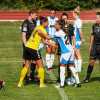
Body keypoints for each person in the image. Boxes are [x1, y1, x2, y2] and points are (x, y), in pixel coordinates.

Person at [18, 17, 56, 88]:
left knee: (26, 66)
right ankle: (41, 84)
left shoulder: (37, 27)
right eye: (47, 22)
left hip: (27, 47)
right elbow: (40, 33)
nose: (48, 24)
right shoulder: (41, 29)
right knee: (41, 65)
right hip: (34, 49)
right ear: (44, 23)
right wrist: (48, 37)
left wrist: (51, 44)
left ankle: (20, 83)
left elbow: (43, 41)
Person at [55, 20, 81, 88]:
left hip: (66, 52)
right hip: (71, 50)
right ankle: (78, 82)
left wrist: (40, 34)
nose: (55, 25)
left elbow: (48, 37)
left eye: (56, 24)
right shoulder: (63, 32)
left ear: (60, 26)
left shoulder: (58, 33)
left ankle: (62, 84)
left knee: (62, 67)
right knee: (71, 66)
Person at [57, 12, 75, 83]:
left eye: (65, 18)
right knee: (60, 63)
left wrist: (74, 46)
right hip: (61, 47)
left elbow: (73, 37)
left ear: (67, 19)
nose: (64, 20)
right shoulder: (60, 27)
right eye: (63, 18)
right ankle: (60, 79)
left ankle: (70, 77)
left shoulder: (70, 26)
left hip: (69, 48)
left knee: (69, 64)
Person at [21, 9, 38, 83]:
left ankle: (32, 75)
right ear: (31, 14)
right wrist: (26, 45)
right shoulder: (25, 23)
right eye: (35, 15)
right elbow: (23, 35)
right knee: (26, 60)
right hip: (27, 45)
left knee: (34, 60)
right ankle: (24, 77)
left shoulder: (34, 22)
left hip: (33, 44)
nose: (36, 16)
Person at [83, 12, 100, 83]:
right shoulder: (94, 26)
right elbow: (92, 36)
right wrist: (90, 46)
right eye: (96, 18)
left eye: (98, 18)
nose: (96, 19)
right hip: (95, 46)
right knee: (91, 62)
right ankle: (87, 78)